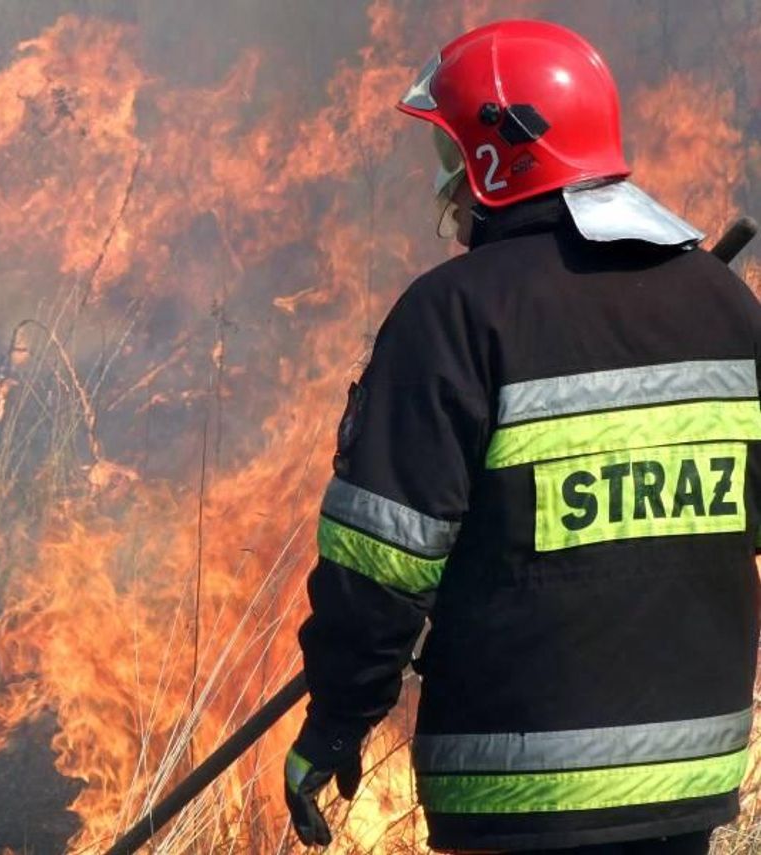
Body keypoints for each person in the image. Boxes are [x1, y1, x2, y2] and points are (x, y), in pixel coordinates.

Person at [284, 19, 761, 855]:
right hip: (688, 776)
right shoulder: (724, 307)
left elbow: (380, 565)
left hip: (519, 784)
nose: (447, 181)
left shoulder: (455, 314)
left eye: (452, 152)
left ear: (498, 154)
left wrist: (337, 719)